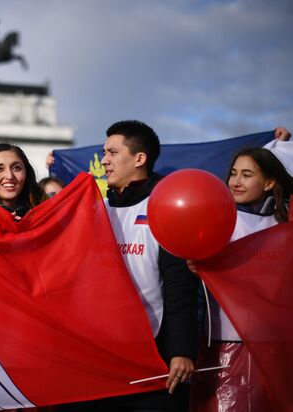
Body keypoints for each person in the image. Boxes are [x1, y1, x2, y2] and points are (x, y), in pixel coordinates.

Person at [67, 120, 198, 411]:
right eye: (104, 152)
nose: (104, 160)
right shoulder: (94, 207)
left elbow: (179, 286)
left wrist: (181, 351)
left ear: (140, 158)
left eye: (112, 152)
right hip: (96, 356)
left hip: (153, 359)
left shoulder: (166, 206)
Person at [189, 147, 293, 412]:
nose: (236, 181)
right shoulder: (216, 218)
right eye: (233, 173)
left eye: (247, 175)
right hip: (221, 342)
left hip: (273, 345)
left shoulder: (285, 224)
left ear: (269, 182)